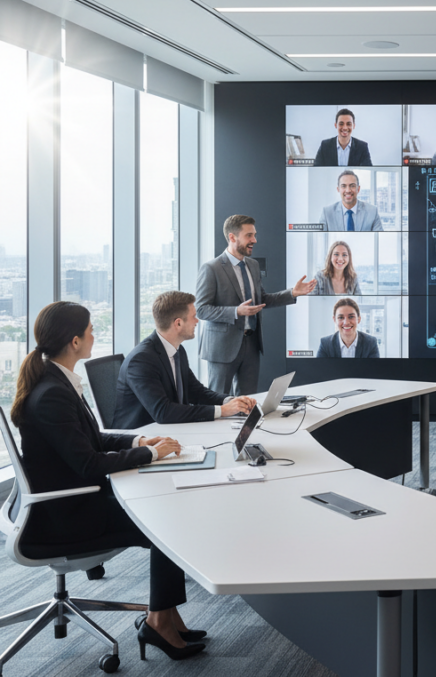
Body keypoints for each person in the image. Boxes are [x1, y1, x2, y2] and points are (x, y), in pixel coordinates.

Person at [10, 302, 206, 661]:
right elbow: (88, 463)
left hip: (68, 502)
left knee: (165, 508)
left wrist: (138, 442)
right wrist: (151, 455)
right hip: (63, 516)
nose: (93, 336)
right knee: (166, 521)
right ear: (74, 342)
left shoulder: (57, 381)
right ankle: (158, 621)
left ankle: (166, 614)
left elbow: (94, 439)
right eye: (89, 332)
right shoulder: (52, 394)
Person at [196, 215, 315, 395]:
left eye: (254, 235)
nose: (254, 240)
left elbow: (262, 299)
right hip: (222, 348)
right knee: (218, 401)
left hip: (251, 345)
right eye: (249, 235)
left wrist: (292, 293)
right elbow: (202, 309)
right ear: (232, 237)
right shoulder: (211, 268)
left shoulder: (252, 265)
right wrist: (237, 311)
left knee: (247, 401)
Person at [113, 291, 256, 429]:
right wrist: (222, 411)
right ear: (178, 323)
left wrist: (231, 402)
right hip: (142, 436)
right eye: (193, 316)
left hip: (171, 430)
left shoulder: (177, 350)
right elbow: (163, 412)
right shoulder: (141, 360)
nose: (197, 321)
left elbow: (196, 391)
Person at [319, 170, 384, 232]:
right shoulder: (327, 213)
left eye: (352, 186)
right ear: (338, 189)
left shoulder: (372, 211)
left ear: (358, 189)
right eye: (343, 186)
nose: (348, 190)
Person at [316, 298, 380, 358]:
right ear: (334, 320)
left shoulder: (370, 343)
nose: (346, 322)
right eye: (341, 317)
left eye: (351, 317)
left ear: (359, 319)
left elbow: (374, 369)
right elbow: (319, 369)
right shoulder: (325, 344)